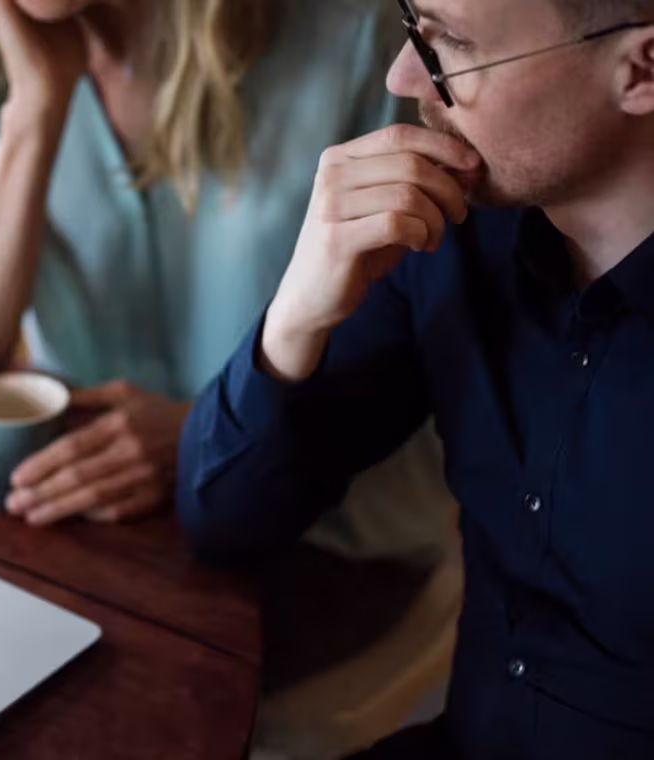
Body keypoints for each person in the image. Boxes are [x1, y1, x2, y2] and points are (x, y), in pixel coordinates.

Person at [177, 0, 654, 755]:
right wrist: (297, 315)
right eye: (412, 28)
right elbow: (221, 518)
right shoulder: (453, 234)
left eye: (450, 45)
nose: (404, 79)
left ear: (643, 68)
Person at [0, 0, 451, 562]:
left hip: (328, 553)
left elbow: (429, 367)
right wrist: (34, 110)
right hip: (103, 540)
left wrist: (205, 435)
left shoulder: (357, 29)